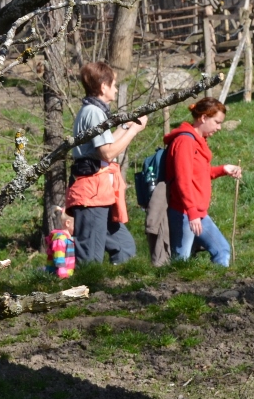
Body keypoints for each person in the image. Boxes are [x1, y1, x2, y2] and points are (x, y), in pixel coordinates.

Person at [64, 62, 147, 265]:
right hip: (92, 195)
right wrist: (134, 132)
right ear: (103, 86)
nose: (116, 89)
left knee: (124, 246)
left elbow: (106, 143)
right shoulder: (93, 112)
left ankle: (116, 291)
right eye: (114, 85)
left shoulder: (96, 112)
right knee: (90, 258)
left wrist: (128, 125)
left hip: (102, 194)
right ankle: (85, 292)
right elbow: (107, 153)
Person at [164, 98, 242, 266]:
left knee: (221, 250)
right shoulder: (185, 141)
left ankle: (218, 291)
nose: (219, 127)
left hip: (197, 213)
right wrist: (191, 212)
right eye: (217, 122)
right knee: (181, 262)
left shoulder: (198, 140)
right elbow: (182, 179)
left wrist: (223, 169)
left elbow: (199, 174)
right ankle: (176, 292)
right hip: (184, 213)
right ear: (204, 118)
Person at [45, 206, 76, 279]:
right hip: (57, 276)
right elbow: (59, 258)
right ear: (68, 223)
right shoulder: (60, 239)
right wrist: (62, 274)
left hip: (68, 275)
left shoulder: (70, 239)